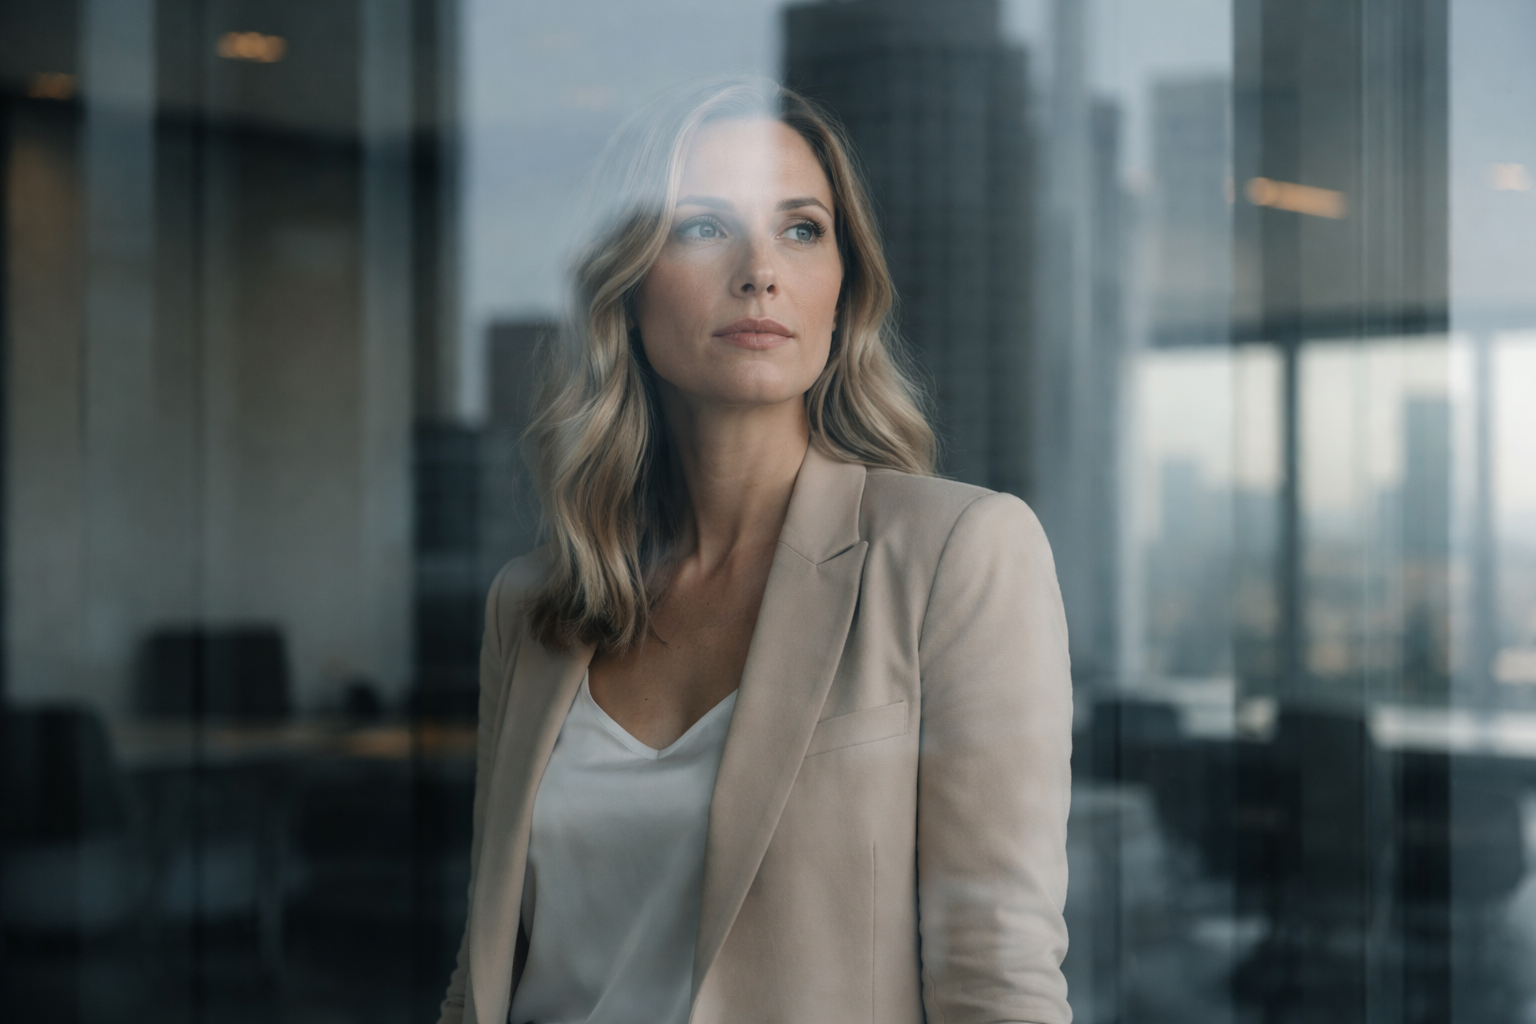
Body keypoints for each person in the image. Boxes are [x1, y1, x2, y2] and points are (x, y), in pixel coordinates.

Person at [437, 78, 1072, 1024]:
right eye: (702, 226)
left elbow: (998, 978)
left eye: (802, 229)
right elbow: (486, 970)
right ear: (630, 282)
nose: (760, 270)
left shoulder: (956, 556)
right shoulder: (533, 607)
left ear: (842, 288)